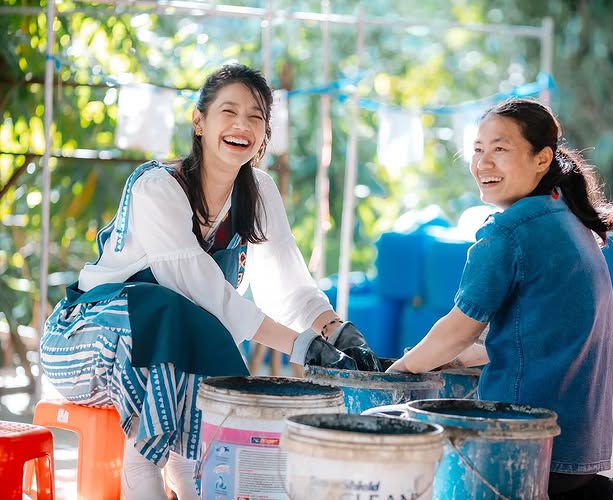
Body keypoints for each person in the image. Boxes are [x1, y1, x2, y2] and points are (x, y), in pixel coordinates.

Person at [40, 63, 380, 500]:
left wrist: (335, 331)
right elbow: (199, 287)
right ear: (199, 122)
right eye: (229, 112)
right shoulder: (157, 187)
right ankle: (143, 469)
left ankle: (187, 476)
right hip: (84, 348)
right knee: (165, 311)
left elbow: (288, 286)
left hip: (170, 357)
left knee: (187, 341)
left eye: (255, 117)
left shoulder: (259, 192)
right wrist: (301, 347)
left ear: (266, 132)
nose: (242, 125)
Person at [387, 97, 613, 499]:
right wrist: (461, 358)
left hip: (521, 446)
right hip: (579, 450)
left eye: (500, 149)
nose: (483, 163)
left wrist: (399, 371)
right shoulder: (569, 222)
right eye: (477, 149)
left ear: (542, 159)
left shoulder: (510, 232)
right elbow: (540, 338)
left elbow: (457, 330)